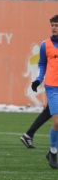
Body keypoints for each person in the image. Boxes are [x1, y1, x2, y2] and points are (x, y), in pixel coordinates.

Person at [32, 15, 58, 169]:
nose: (54, 27)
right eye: (52, 25)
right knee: (56, 121)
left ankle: (51, 151)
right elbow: (42, 64)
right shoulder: (45, 45)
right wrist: (37, 80)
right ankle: (53, 152)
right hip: (52, 87)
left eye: (56, 25)